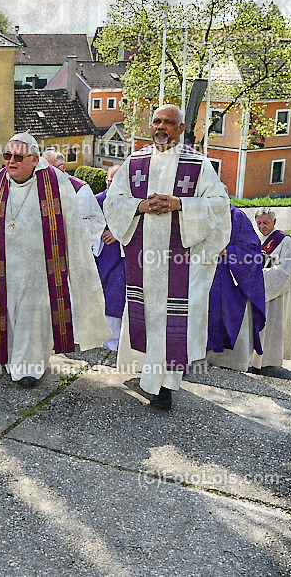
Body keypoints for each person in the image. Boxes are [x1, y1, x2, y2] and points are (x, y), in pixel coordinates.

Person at [104, 104, 231, 410]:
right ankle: (146, 372)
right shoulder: (135, 162)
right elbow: (113, 200)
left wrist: (181, 204)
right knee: (146, 317)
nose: (161, 127)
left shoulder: (198, 165)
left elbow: (219, 205)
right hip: (144, 263)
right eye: (157, 121)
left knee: (170, 321)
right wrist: (140, 206)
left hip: (180, 265)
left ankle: (165, 387)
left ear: (181, 129)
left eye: (169, 123)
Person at [0, 133, 110, 387]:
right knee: (2, 314)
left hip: (40, 271)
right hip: (2, 268)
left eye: (18, 157)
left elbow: (72, 231)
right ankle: (4, 358)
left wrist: (73, 267)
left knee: (32, 320)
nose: (11, 162)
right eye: (7, 156)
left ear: (35, 160)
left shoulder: (57, 185)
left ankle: (28, 368)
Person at [207, 204, 266, 372]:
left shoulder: (237, 217)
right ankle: (198, 359)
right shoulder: (200, 212)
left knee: (228, 314)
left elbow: (252, 249)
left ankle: (231, 363)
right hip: (201, 274)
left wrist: (230, 251)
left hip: (228, 278)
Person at [252, 207, 291, 370]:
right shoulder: (255, 237)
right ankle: (251, 359)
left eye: (266, 223)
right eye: (259, 223)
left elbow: (286, 269)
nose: (262, 226)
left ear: (274, 222)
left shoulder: (284, 241)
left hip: (274, 293)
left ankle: (267, 361)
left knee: (270, 326)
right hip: (255, 291)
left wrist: (260, 276)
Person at [42, 148, 107, 241]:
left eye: (50, 169)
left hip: (72, 246)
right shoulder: (39, 187)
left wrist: (66, 229)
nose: (46, 174)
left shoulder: (80, 189)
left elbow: (97, 223)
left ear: (62, 167)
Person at [94, 165, 125, 351]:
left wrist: (117, 233)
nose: (113, 185)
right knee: (96, 298)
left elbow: (137, 226)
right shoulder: (96, 200)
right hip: (98, 255)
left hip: (120, 258)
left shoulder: (130, 203)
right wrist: (100, 232)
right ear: (106, 180)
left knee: (115, 298)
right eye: (111, 181)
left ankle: (112, 343)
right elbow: (85, 224)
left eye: (117, 181)